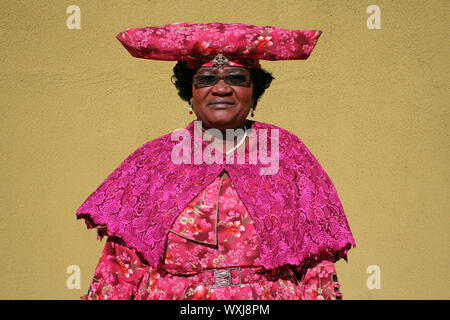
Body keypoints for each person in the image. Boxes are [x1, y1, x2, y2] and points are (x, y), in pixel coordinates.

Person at [77, 22, 356, 300]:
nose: (221, 89)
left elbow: (315, 262)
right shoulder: (153, 160)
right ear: (190, 92)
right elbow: (120, 264)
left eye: (236, 78)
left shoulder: (288, 153)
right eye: (207, 79)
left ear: (254, 92)